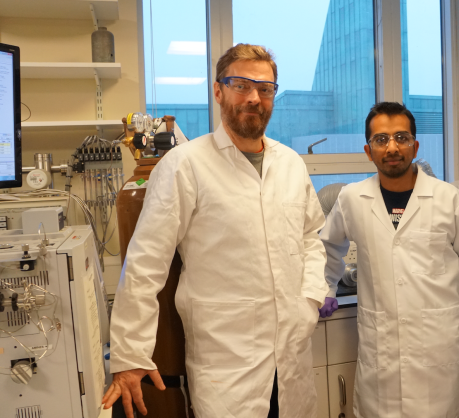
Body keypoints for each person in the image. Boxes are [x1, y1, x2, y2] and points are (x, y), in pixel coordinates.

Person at [103, 44, 328, 418]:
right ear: (219, 91)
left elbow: (310, 240)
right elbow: (144, 264)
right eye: (241, 85)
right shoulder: (185, 165)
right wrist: (129, 354)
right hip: (226, 366)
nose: (254, 97)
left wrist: (308, 301)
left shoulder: (290, 163)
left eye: (265, 88)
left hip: (291, 355)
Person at [319, 102, 459, 418]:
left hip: (436, 350)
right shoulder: (352, 198)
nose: (392, 147)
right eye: (381, 139)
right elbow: (328, 247)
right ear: (368, 151)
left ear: (415, 145)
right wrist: (326, 288)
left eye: (401, 137)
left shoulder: (447, 197)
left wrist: (435, 295)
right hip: (380, 353)